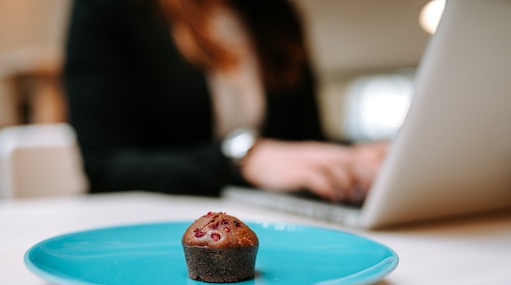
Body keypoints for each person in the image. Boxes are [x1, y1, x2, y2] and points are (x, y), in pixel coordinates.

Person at [62, 0, 388, 205]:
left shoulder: (275, 15)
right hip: (148, 223)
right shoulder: (109, 8)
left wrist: (351, 157)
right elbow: (105, 167)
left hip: (275, 217)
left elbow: (303, 141)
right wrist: (246, 160)